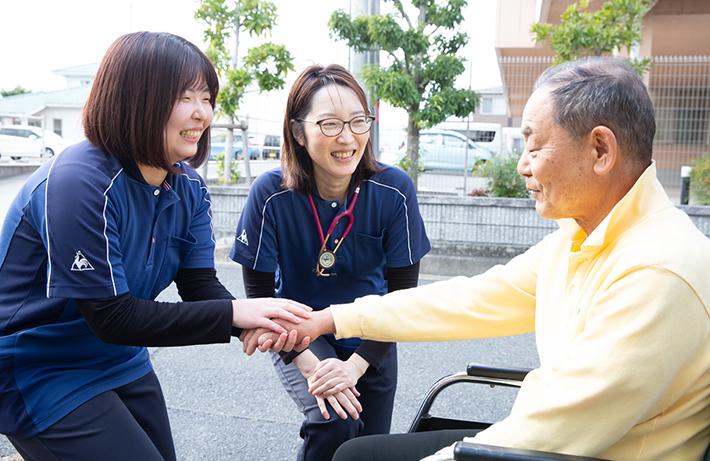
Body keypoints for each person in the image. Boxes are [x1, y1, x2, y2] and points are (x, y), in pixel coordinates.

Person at [265, 57, 710, 461]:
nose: (522, 165)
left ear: (600, 151)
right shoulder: (580, 238)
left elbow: (555, 430)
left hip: (573, 450)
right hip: (546, 438)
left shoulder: (657, 271)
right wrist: (331, 320)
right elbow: (470, 299)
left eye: (534, 147)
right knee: (356, 453)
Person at [0, 31, 311, 461]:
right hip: (37, 363)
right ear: (134, 99)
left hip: (120, 357)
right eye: (185, 96)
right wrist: (237, 314)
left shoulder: (188, 187)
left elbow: (201, 285)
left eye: (207, 96)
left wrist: (279, 335)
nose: (203, 113)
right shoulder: (79, 181)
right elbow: (113, 316)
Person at [230, 63, 430, 461]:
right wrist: (310, 367)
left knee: (368, 449)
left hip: (372, 336)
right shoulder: (271, 194)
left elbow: (401, 298)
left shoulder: (395, 191)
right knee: (333, 422)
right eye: (330, 124)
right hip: (298, 335)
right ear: (298, 132)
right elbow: (259, 299)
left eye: (358, 121)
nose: (347, 137)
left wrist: (356, 366)